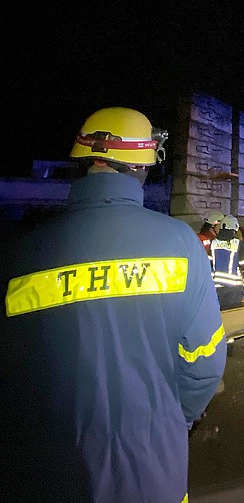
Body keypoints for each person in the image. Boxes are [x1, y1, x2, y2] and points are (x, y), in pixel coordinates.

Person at [1, 107, 226, 503]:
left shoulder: (19, 256)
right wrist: (175, 421)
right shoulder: (180, 244)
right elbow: (205, 363)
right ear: (141, 167)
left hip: (48, 478)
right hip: (153, 478)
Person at [210, 214, 244, 310]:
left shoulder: (213, 243)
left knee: (221, 313)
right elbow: (243, 264)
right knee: (233, 314)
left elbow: (210, 262)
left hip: (217, 286)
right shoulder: (237, 244)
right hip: (234, 287)